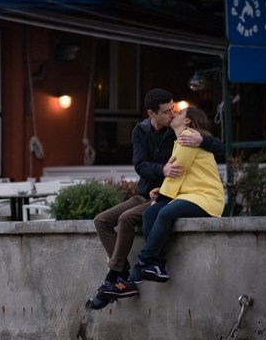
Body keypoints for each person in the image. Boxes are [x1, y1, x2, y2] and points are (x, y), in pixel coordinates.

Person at [91, 89, 224, 309]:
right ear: (151, 113)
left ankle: (117, 278)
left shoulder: (182, 134)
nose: (172, 114)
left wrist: (203, 139)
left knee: (128, 219)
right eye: (167, 112)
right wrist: (161, 170)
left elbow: (217, 147)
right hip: (150, 192)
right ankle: (121, 272)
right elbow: (140, 165)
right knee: (101, 220)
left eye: (174, 110)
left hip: (169, 195)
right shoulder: (141, 131)